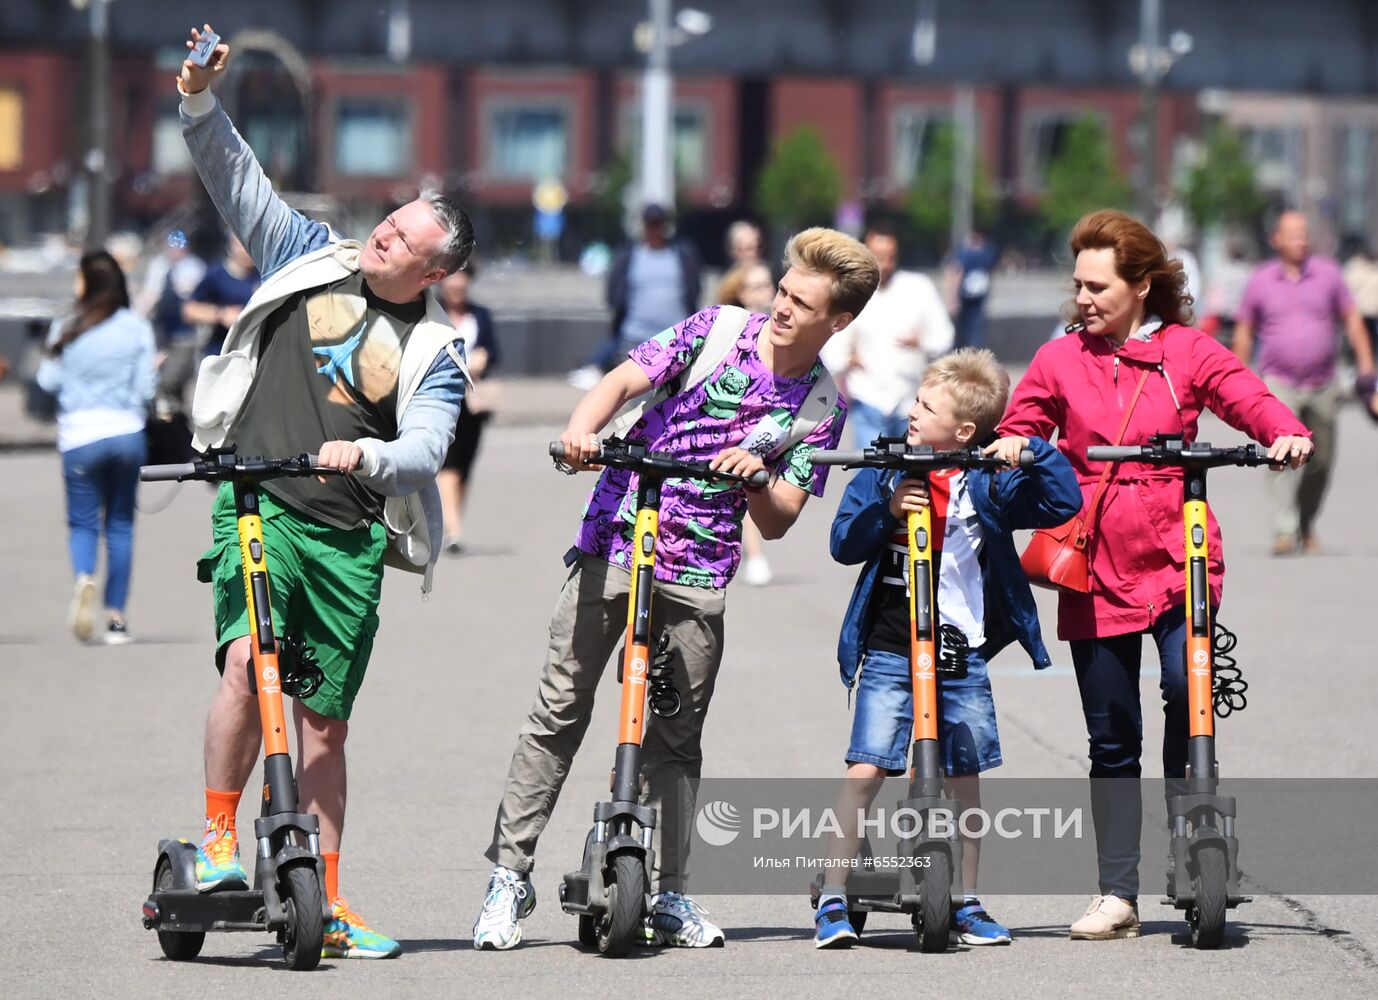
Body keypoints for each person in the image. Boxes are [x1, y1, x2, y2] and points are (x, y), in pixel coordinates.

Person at [473, 227, 878, 951]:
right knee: (560, 708)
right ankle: (509, 877)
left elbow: (781, 519)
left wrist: (755, 476)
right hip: (622, 534)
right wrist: (580, 431)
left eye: (801, 302)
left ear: (838, 321)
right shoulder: (720, 329)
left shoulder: (820, 407)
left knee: (676, 739)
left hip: (701, 568)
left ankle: (668, 893)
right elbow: (625, 379)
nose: (781, 308)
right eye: (782, 292)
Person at [175, 25, 474, 960]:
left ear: (432, 271)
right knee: (242, 665)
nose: (377, 238)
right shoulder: (309, 255)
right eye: (384, 224)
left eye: (398, 242)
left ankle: (328, 896)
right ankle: (222, 839)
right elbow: (241, 184)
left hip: (348, 536)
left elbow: (426, 445)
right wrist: (197, 100)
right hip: (257, 503)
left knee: (326, 726)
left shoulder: (435, 350)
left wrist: (371, 461)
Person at [999, 209, 1313, 941]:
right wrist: (1013, 447)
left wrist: (1284, 432)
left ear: (1141, 285)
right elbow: (1024, 421)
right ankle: (1116, 893)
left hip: (1178, 558)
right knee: (1111, 736)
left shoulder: (1188, 351)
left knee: (1186, 690)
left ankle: (1195, 848)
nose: (1083, 298)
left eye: (1098, 285)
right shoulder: (1058, 360)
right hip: (1094, 562)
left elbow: (1248, 396)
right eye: (1077, 284)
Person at [813, 349, 1081, 949]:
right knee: (867, 766)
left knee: (965, 780)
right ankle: (832, 894)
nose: (912, 412)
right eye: (916, 400)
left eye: (926, 407)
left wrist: (1033, 450)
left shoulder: (986, 479)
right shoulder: (886, 467)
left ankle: (965, 899)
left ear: (964, 430)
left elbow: (1064, 502)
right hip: (889, 644)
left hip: (960, 650)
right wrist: (887, 510)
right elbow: (842, 544)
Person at [1232, 210, 1376, 555]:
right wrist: (1237, 382)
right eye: (1293, 234)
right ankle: (1285, 528)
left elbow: (1353, 322)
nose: (1301, 240)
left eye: (1304, 233)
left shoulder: (1328, 275)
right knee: (1280, 455)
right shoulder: (1261, 280)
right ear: (1276, 240)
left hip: (1324, 384)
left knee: (1321, 461)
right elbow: (1245, 330)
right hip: (1278, 383)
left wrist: (1369, 376)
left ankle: (1306, 521)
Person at [37, 250, 156, 645]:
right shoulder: (136, 328)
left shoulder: (69, 326)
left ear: (88, 282)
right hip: (126, 434)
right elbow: (145, 390)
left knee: (83, 522)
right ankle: (117, 618)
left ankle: (85, 577)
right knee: (120, 524)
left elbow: (48, 380)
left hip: (80, 436)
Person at [821, 222, 954, 448]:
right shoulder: (854, 293)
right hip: (868, 398)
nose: (885, 263)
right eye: (878, 256)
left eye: (890, 256)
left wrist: (921, 343)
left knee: (907, 473)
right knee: (870, 471)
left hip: (910, 401)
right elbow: (832, 340)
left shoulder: (918, 288)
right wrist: (846, 360)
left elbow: (944, 336)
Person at [567, 204, 701, 390]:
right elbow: (614, 290)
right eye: (651, 224)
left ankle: (595, 366)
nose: (655, 229)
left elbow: (694, 288)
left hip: (676, 338)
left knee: (674, 395)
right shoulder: (629, 254)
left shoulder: (682, 253)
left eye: (658, 223)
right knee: (637, 396)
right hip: (636, 336)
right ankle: (594, 367)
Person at [716, 256, 778, 586]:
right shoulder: (729, 328)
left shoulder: (783, 329)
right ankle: (752, 555)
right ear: (740, 292)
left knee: (755, 482)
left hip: (768, 421)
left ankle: (750, 553)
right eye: (756, 286)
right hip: (731, 420)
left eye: (768, 284)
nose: (765, 292)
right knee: (745, 481)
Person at [435, 261, 499, 553]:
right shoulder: (431, 312)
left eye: (462, 280)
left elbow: (495, 350)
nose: (457, 285)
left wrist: (484, 357)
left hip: (473, 402)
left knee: (464, 466)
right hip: (439, 397)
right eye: (452, 279)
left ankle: (452, 520)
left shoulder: (481, 315)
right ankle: (453, 528)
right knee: (447, 463)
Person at [138, 228, 206, 414]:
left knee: (174, 376)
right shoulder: (159, 265)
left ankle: (176, 408)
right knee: (157, 372)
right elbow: (150, 294)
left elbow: (194, 300)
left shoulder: (194, 267)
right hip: (161, 327)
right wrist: (138, 317)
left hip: (185, 331)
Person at [183, 234, 260, 357]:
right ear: (230, 245)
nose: (245, 249)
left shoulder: (263, 275)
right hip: (221, 353)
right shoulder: (217, 275)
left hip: (254, 353)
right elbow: (189, 310)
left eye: (250, 243)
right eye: (240, 244)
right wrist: (222, 315)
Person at [944, 229, 997, 351]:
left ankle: (969, 355)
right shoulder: (984, 252)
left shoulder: (968, 252)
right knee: (971, 330)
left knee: (970, 331)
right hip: (971, 297)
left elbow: (957, 272)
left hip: (972, 298)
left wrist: (953, 297)